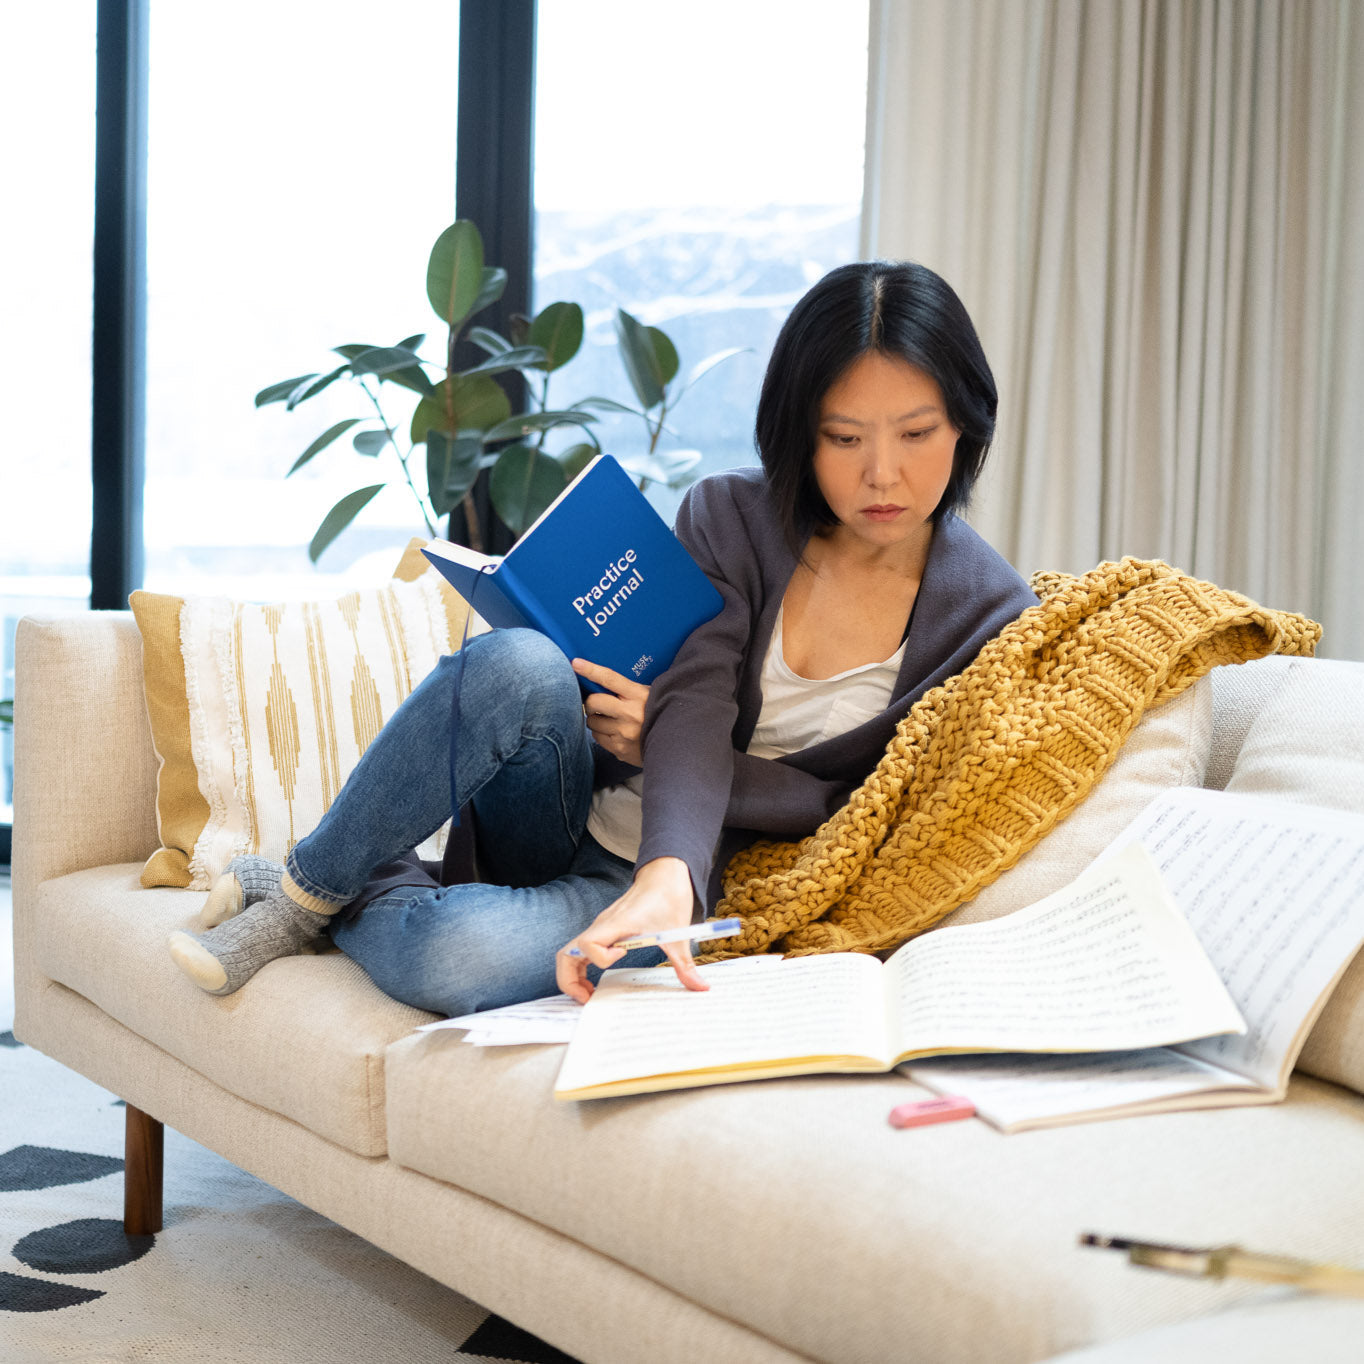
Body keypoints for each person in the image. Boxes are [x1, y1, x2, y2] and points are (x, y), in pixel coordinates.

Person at [169, 260, 1038, 1016]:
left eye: (916, 434)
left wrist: (669, 857)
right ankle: (304, 892)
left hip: (676, 887)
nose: (882, 473)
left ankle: (346, 878)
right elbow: (696, 694)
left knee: (455, 955)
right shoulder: (734, 514)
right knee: (518, 660)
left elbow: (864, 811)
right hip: (570, 806)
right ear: (800, 437)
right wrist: (669, 739)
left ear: (965, 423)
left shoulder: (989, 615)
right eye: (844, 438)